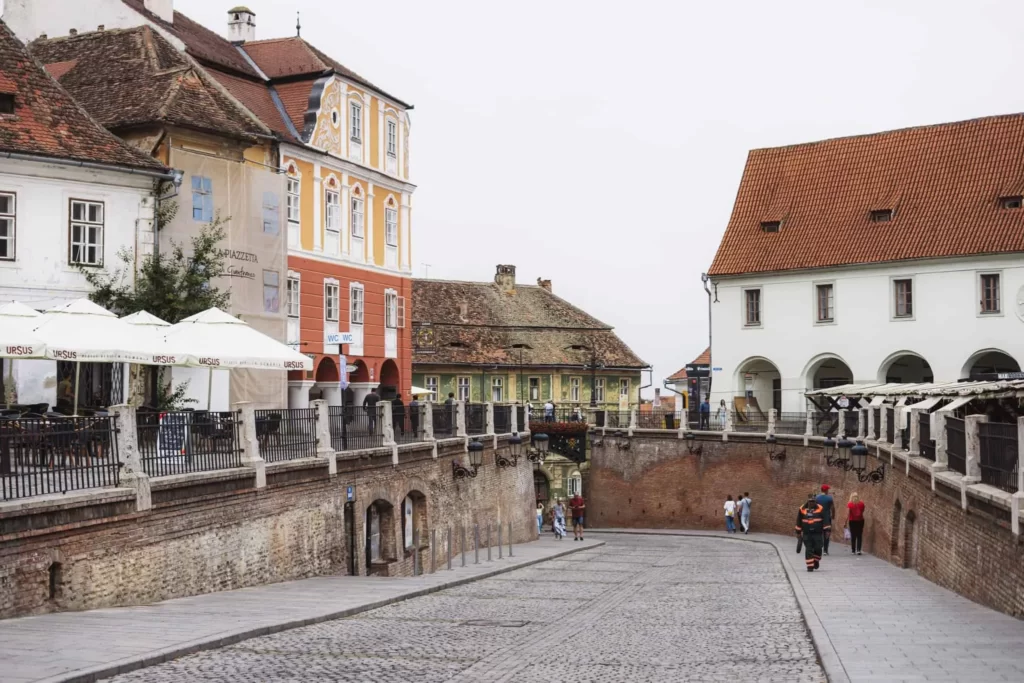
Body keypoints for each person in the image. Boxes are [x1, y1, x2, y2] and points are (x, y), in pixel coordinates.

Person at [796, 492, 829, 572]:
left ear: (815, 501)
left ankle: (816, 560)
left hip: (817, 533)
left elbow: (826, 519)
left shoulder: (820, 508)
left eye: (813, 501)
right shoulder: (802, 509)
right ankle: (810, 566)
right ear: (808, 501)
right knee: (809, 549)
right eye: (810, 501)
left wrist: (827, 530)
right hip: (807, 534)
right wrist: (798, 532)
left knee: (818, 548)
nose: (812, 503)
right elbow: (798, 521)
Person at [816, 484, 836, 555]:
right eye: (828, 489)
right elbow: (833, 508)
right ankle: (825, 550)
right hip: (827, 519)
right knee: (827, 534)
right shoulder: (829, 498)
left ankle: (819, 547)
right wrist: (833, 516)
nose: (828, 491)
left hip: (818, 519)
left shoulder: (816, 498)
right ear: (826, 490)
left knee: (819, 533)